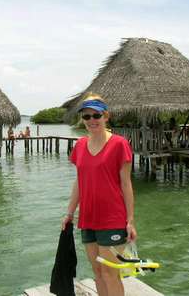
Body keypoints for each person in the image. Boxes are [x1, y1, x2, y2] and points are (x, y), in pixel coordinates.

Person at [61, 92, 137, 296]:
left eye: (96, 115)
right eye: (86, 116)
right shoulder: (79, 146)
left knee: (110, 273)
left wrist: (130, 220)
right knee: (97, 272)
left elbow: (126, 184)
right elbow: (79, 181)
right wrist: (69, 213)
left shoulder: (119, 144)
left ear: (106, 116)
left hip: (112, 219)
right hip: (87, 218)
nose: (91, 120)